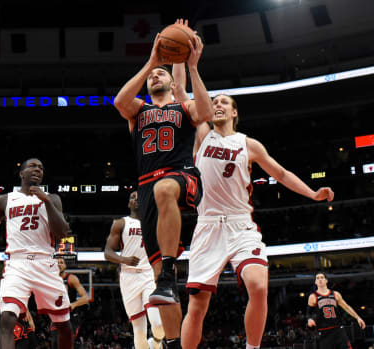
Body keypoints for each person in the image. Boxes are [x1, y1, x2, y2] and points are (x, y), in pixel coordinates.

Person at [174, 88, 335, 348]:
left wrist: (312, 193)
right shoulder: (202, 134)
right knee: (197, 304)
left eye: (224, 102)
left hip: (241, 225)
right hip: (208, 225)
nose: (217, 104)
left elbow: (281, 174)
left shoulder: (248, 144)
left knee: (259, 287)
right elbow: (183, 96)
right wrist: (189, 64)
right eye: (214, 102)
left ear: (234, 112)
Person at [113, 20, 213, 348]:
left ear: (172, 84)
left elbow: (205, 110)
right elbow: (119, 101)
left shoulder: (182, 108)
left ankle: (169, 272)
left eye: (161, 75)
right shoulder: (138, 111)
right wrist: (151, 62)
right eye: (153, 76)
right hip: (147, 188)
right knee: (160, 285)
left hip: (181, 177)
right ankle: (173, 342)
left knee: (164, 188)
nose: (155, 77)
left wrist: (192, 68)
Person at [0, 158, 72, 349]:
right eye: (33, 166)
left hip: (45, 263)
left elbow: (62, 232)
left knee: (64, 324)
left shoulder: (53, 198)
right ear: (21, 173)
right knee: (7, 318)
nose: (38, 170)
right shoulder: (5, 200)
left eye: (41, 168)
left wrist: (47, 202)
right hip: (16, 265)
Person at [104, 191, 165, 349]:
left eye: (139, 196)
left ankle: (156, 343)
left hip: (148, 275)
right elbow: (108, 252)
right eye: (132, 197)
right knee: (139, 332)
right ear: (128, 203)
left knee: (158, 324)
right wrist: (124, 260)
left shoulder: (154, 222)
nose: (136, 199)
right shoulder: (121, 223)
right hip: (128, 278)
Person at [307, 272, 365, 349]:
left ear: (326, 280)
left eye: (322, 277)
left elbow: (347, 307)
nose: (320, 279)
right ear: (315, 282)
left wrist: (357, 317)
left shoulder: (335, 294)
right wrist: (309, 319)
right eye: (317, 278)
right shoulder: (313, 297)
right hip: (324, 332)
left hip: (338, 329)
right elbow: (308, 313)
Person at [50, 257, 89, 348]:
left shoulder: (71, 278)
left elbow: (85, 298)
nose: (59, 264)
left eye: (61, 262)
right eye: (57, 263)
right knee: (55, 343)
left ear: (65, 265)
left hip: (70, 317)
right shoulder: (50, 280)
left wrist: (74, 304)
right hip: (56, 316)